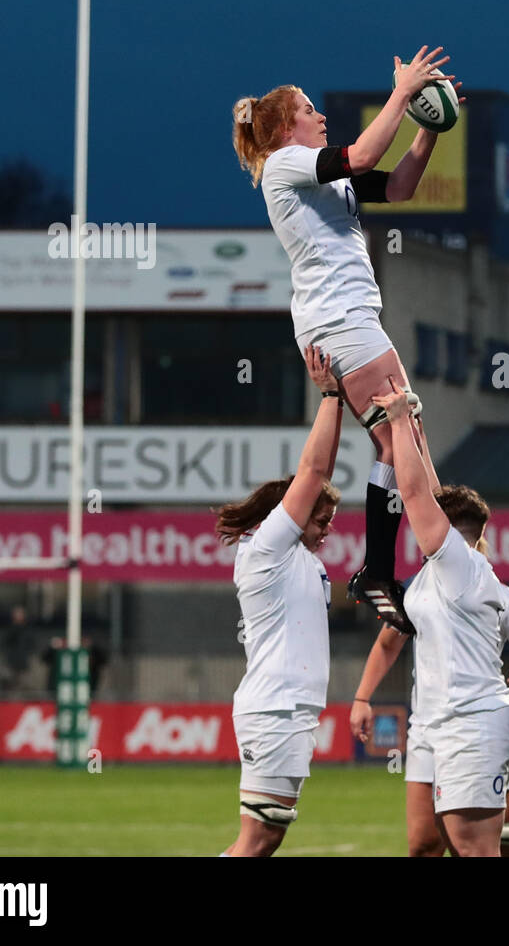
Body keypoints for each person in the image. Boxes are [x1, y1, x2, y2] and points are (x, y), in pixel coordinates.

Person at [232, 48, 463, 630]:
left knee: (398, 439)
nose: (321, 116)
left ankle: (383, 567)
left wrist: (426, 128)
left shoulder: (325, 180)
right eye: (310, 109)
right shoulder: (286, 163)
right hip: (341, 320)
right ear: (287, 127)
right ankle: (393, 565)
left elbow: (403, 187)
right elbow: (361, 152)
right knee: (404, 431)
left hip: (346, 319)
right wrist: (403, 92)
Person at [366, 380, 509, 856]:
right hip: (441, 722)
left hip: (472, 720)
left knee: (474, 851)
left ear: (452, 533)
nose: (420, 524)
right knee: (433, 846)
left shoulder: (460, 563)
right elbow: (434, 492)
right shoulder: (447, 568)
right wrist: (416, 430)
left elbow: (415, 493)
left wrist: (395, 423)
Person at [213, 345, 344, 857]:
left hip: (289, 709)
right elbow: (312, 473)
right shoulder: (269, 546)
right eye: (320, 519)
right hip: (276, 707)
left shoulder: (301, 560)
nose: (327, 528)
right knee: (258, 840)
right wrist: (331, 397)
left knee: (264, 840)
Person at [351, 541, 509, 858]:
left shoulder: (500, 594)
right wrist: (362, 697)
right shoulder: (419, 593)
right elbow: (388, 644)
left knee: (507, 839)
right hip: (428, 728)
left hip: (482, 721)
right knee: (425, 844)